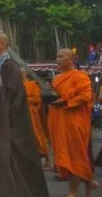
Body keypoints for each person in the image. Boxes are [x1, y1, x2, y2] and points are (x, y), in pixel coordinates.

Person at [0, 33, 49, 197]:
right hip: (3, 121)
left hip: (11, 123)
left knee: (14, 163)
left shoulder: (8, 65)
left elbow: (10, 94)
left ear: (3, 44)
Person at [49, 48, 99, 197]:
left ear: (72, 59)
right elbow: (57, 96)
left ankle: (73, 192)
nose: (57, 59)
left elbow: (85, 96)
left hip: (75, 120)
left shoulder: (80, 76)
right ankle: (89, 183)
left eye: (61, 56)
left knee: (75, 156)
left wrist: (65, 101)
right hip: (60, 119)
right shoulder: (57, 78)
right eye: (56, 56)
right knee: (66, 155)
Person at [21, 68, 50, 171]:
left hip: (32, 115)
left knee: (38, 136)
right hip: (21, 116)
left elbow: (37, 99)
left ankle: (47, 160)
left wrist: (24, 99)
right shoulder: (16, 86)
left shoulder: (32, 84)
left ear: (24, 74)